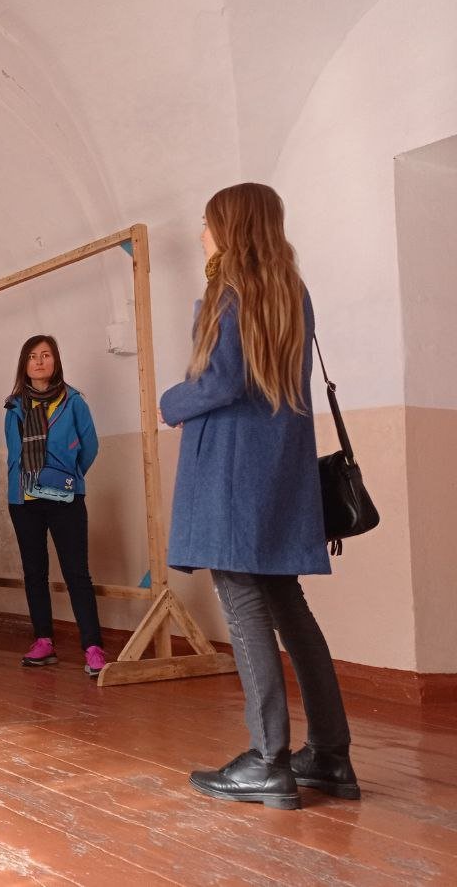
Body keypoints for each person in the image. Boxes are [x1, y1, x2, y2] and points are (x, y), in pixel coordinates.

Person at [161, 182, 356, 810]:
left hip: (231, 471)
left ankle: (268, 761)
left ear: (231, 227)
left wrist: (171, 402)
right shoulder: (292, 293)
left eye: (207, 222)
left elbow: (221, 381)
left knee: (242, 603)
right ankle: (329, 755)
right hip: (280, 470)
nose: (201, 233)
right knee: (289, 607)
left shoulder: (228, 293)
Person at [3, 335, 103, 675]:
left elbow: (89, 446)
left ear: (56, 361)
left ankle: (93, 646)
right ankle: (43, 640)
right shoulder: (14, 406)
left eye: (46, 355)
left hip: (65, 498)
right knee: (35, 573)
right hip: (24, 500)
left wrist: (67, 476)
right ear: (24, 364)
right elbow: (15, 453)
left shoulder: (73, 401)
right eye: (32, 356)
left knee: (77, 573)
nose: (39, 361)